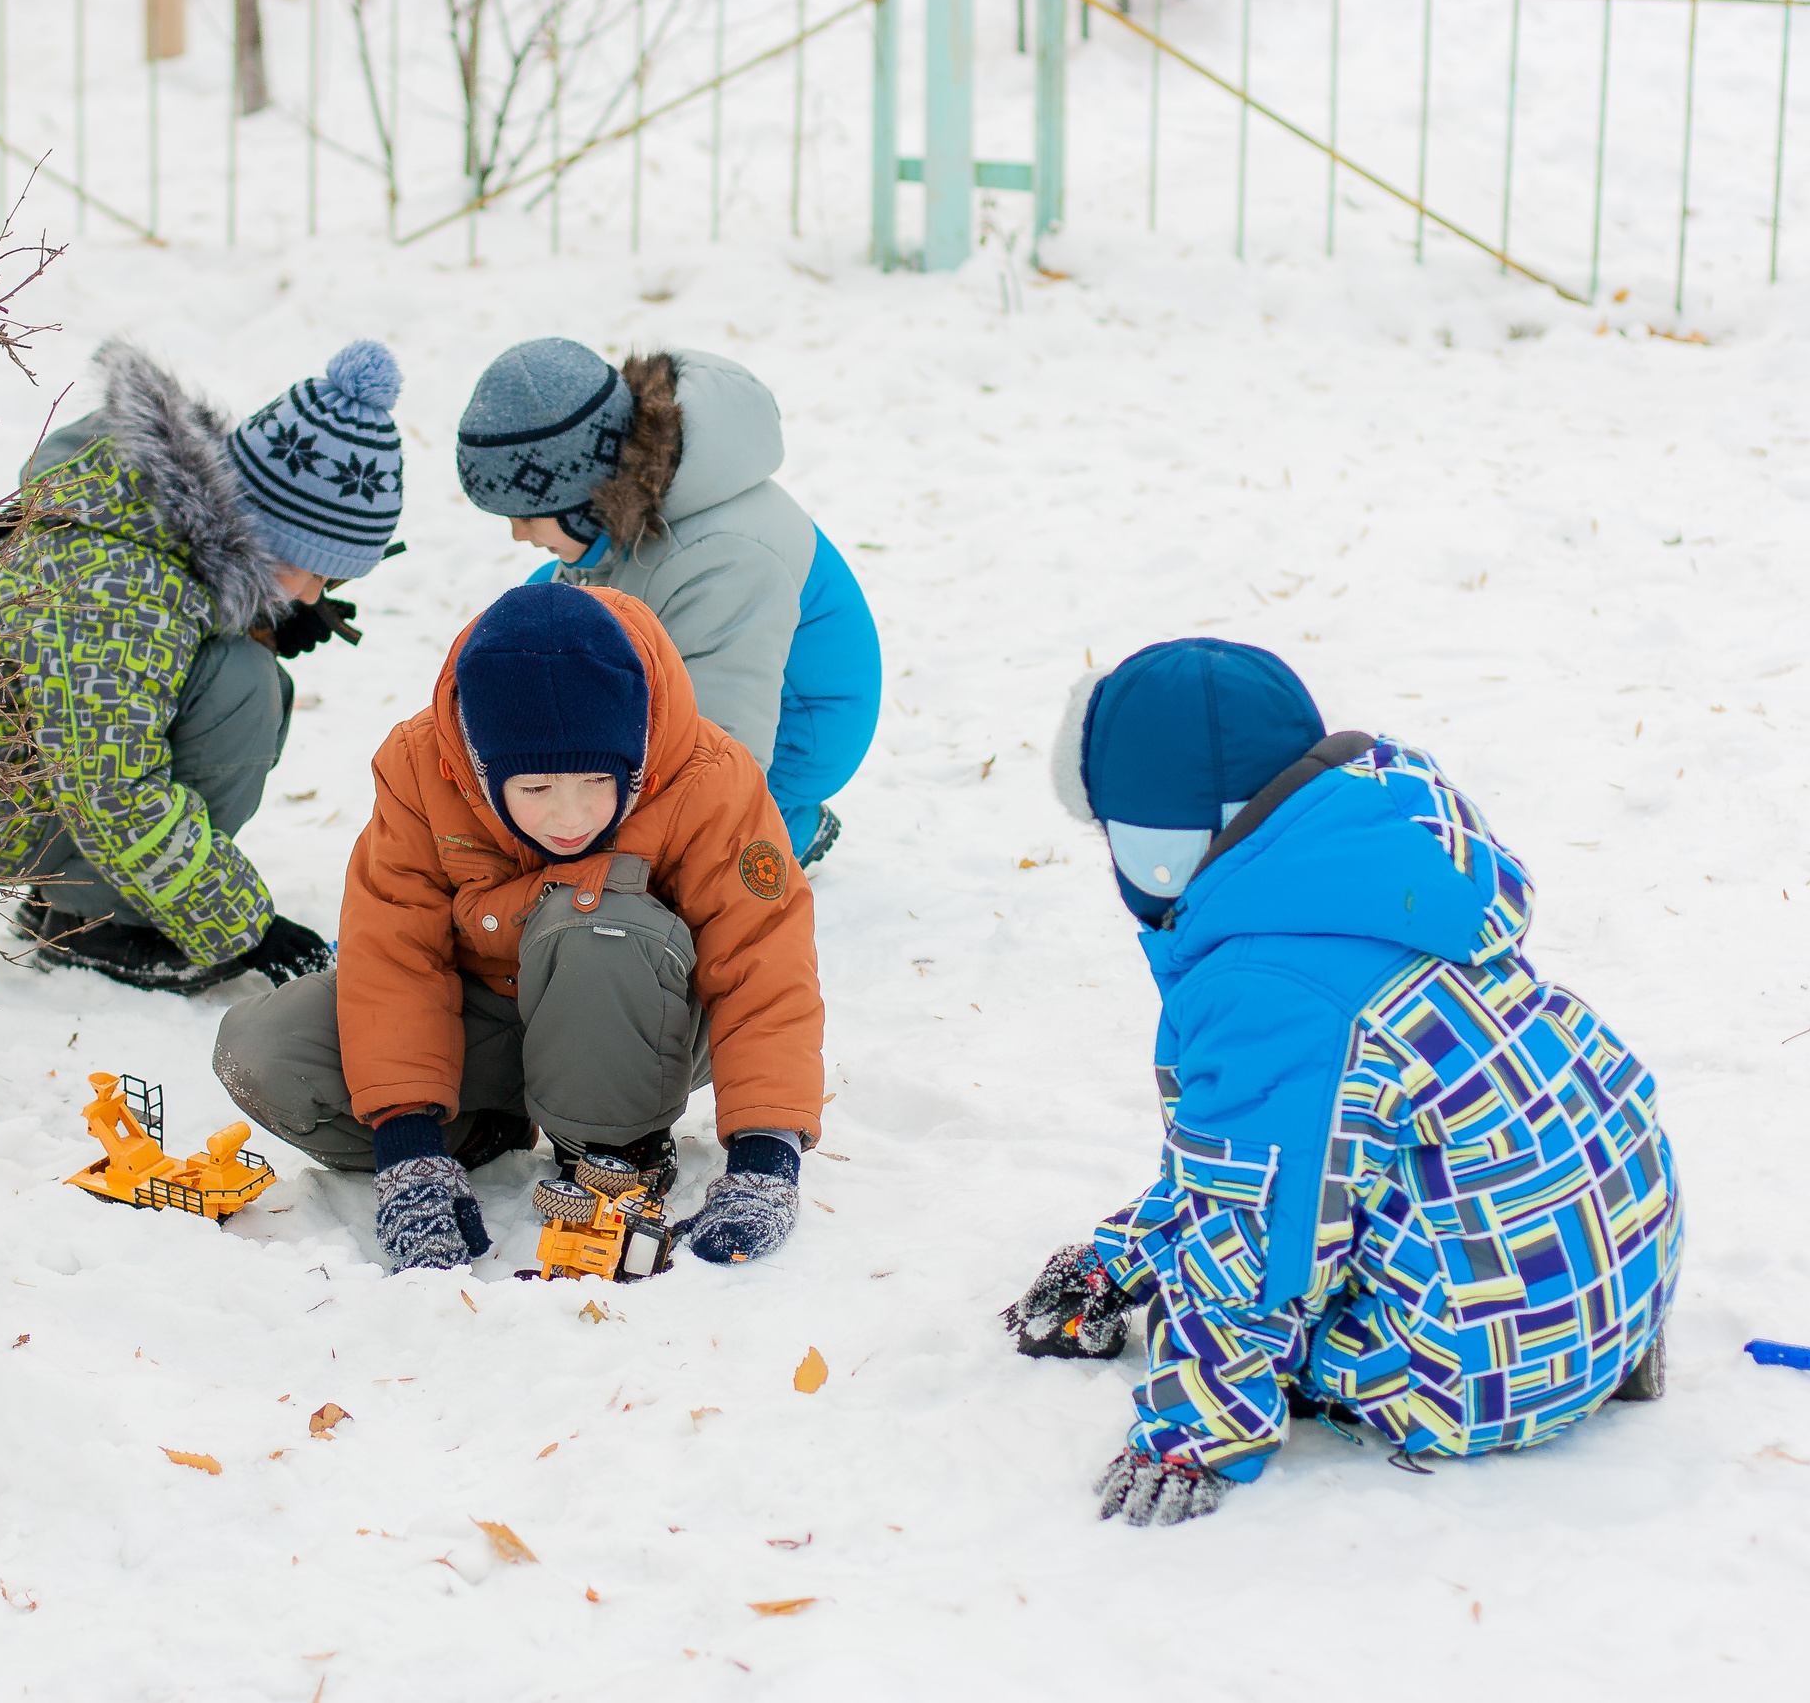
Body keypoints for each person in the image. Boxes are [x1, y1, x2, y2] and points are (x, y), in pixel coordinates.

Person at [1007, 638, 1683, 1526]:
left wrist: (1197, 1431)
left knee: (1251, 1298)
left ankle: (1513, 1373)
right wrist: (1124, 1253)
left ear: (1159, 844)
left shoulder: (1272, 988)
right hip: (1610, 1267)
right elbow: (1288, 1150)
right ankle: (1587, 1341)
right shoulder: (1379, 873)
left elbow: (1252, 1216)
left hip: (1484, 1369)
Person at [210, 582, 826, 1272]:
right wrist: (409, 1147)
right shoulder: (420, 769)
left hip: (645, 1014)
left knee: (594, 921)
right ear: (481, 764)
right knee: (262, 1047)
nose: (570, 818)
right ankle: (484, 1128)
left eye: (597, 783)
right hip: (491, 1015)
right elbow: (393, 955)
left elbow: (763, 961)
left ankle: (616, 1148)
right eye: (535, 791)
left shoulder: (708, 777)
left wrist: (766, 1154)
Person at [0, 337, 405, 994]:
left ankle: (84, 896)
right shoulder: (120, 586)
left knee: (243, 668)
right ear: (264, 536)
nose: (312, 596)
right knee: (244, 689)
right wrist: (244, 924)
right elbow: (111, 787)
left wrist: (259, 614)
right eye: (316, 573)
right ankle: (100, 922)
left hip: (13, 769)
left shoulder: (148, 523)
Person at [453, 339, 879, 869]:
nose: (518, 534)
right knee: (546, 601)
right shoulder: (616, 510)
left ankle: (783, 823)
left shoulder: (725, 558)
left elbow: (727, 750)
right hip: (713, 663)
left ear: (584, 499)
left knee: (692, 834)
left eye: (528, 514)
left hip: (798, 727)